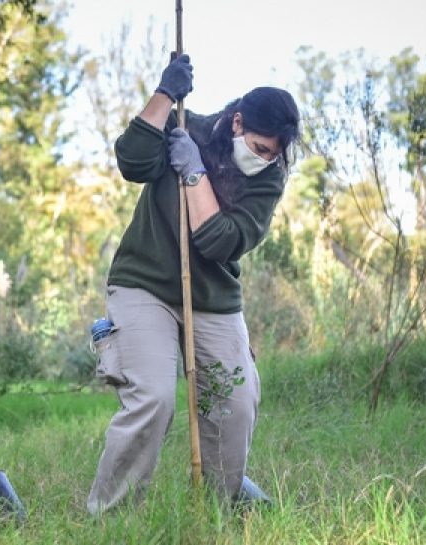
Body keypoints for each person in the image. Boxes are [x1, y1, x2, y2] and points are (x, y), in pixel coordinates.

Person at [87, 53, 300, 514]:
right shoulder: (188, 126)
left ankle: (213, 514)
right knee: (154, 397)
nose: (264, 160)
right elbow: (131, 160)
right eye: (260, 148)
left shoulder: (269, 180)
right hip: (144, 285)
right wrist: (166, 94)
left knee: (236, 405)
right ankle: (111, 520)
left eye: (273, 154)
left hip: (215, 300)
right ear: (238, 122)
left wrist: (194, 172)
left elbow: (219, 240)